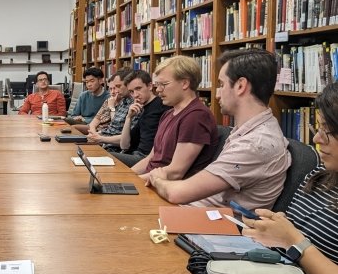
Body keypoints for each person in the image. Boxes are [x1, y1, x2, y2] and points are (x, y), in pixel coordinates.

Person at [118, 82, 338, 274]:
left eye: (328, 132)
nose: (318, 139)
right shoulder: (322, 175)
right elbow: (292, 232)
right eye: (317, 128)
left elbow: (297, 242)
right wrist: (270, 227)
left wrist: (296, 242)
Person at [148, 49, 291, 209]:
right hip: (197, 212)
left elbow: (177, 193)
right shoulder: (248, 130)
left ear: (241, 86)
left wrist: (158, 179)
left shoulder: (255, 144)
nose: (217, 95)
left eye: (222, 85)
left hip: (214, 226)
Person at [132, 56, 218, 181]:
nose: (158, 90)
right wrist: (127, 176)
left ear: (185, 83)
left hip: (165, 188)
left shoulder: (196, 116)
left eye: (164, 84)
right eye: (157, 85)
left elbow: (176, 172)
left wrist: (135, 181)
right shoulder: (168, 114)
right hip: (150, 180)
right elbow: (151, 158)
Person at [109, 70, 170, 167]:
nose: (135, 95)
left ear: (150, 86)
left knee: (107, 157)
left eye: (138, 89)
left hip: (147, 159)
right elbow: (124, 145)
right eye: (131, 92)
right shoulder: (142, 109)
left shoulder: (162, 106)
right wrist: (128, 118)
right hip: (135, 155)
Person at [86, 69, 135, 151]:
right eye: (110, 89)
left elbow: (120, 133)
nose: (114, 92)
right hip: (102, 136)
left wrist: (112, 108)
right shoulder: (121, 101)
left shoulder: (133, 105)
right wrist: (95, 134)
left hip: (110, 144)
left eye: (117, 87)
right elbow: (98, 122)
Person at [71, 67, 108, 131]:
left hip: (98, 128)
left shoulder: (108, 97)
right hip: (81, 125)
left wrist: (85, 119)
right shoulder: (83, 95)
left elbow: (105, 119)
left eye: (92, 81)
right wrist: (77, 118)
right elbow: (73, 115)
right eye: (86, 82)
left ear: (101, 81)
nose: (89, 84)